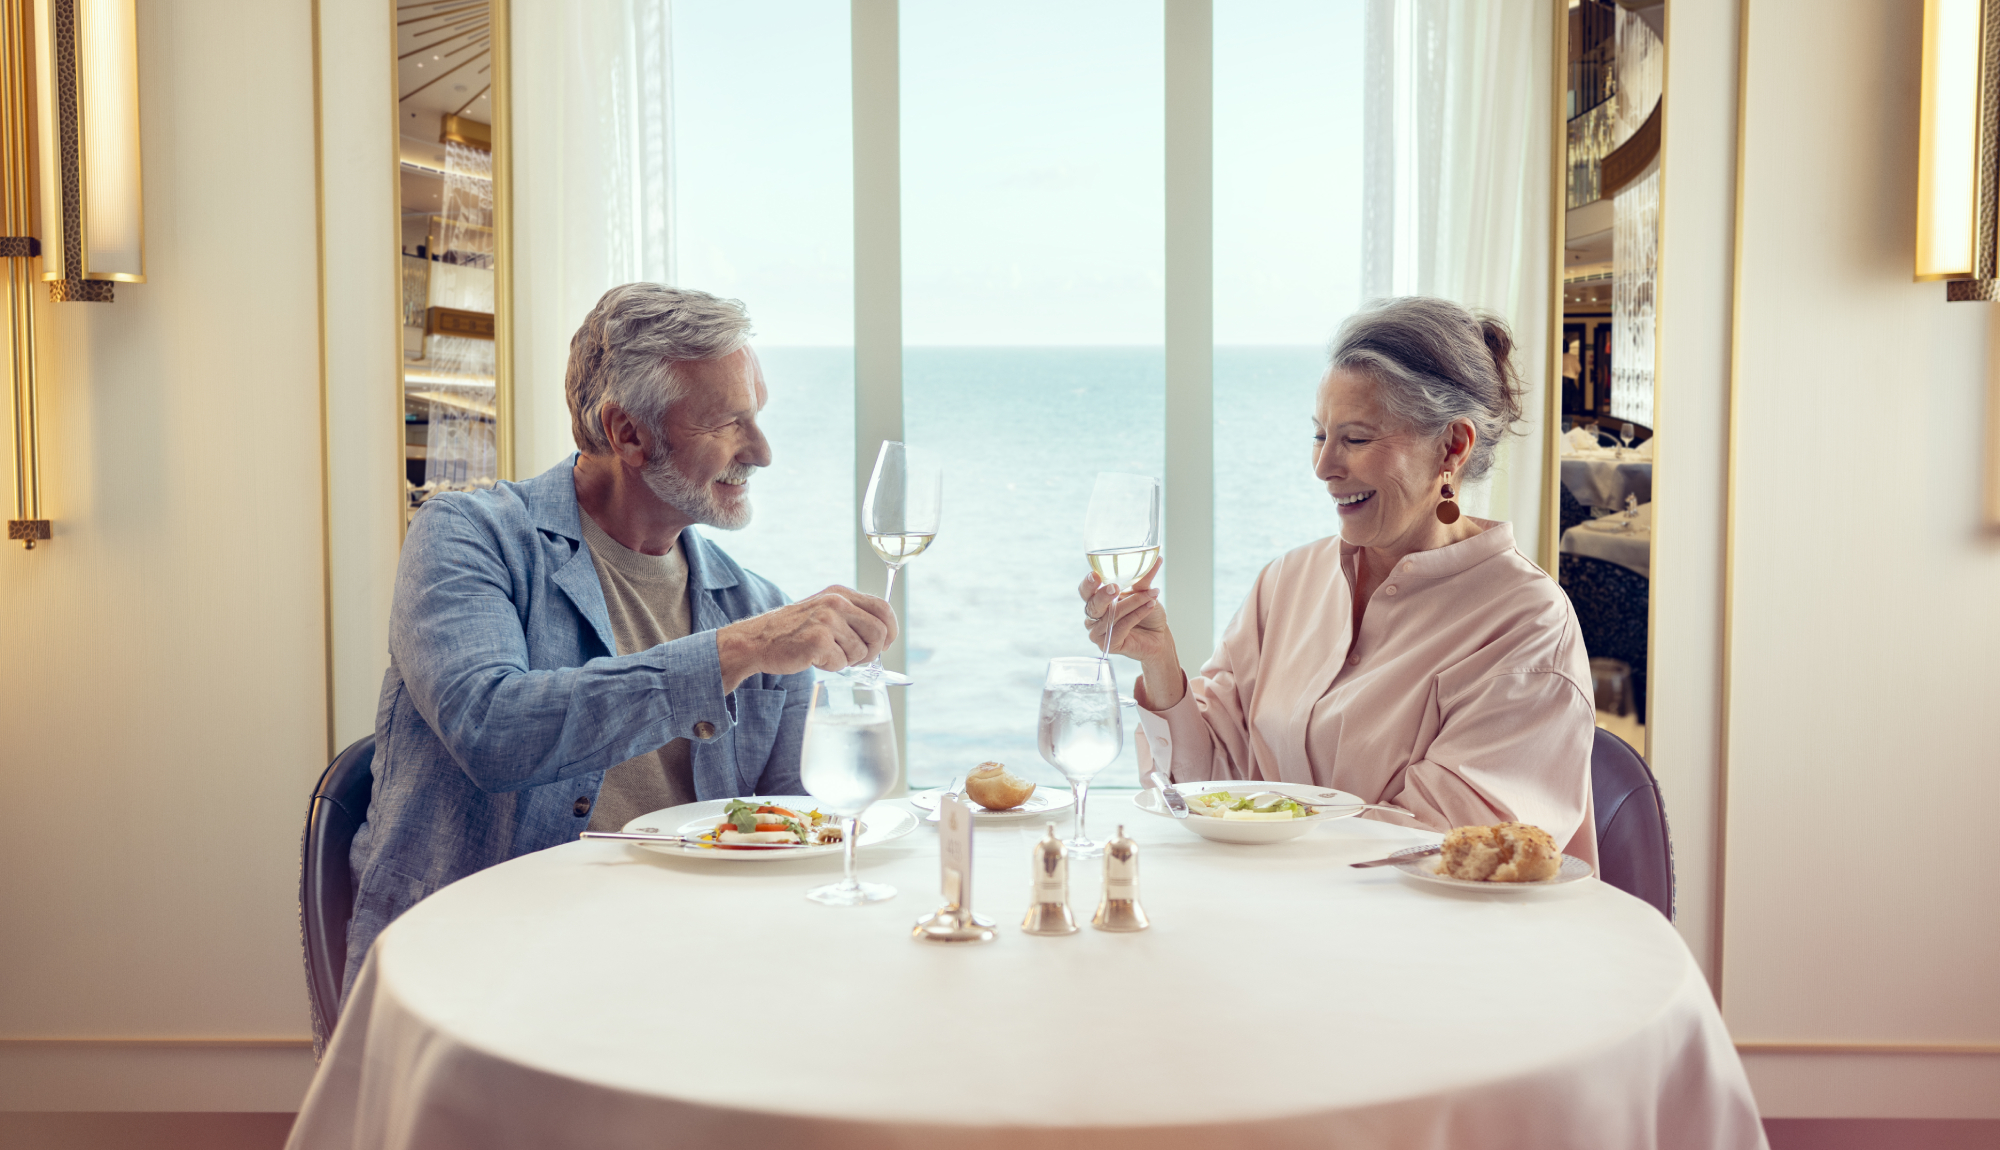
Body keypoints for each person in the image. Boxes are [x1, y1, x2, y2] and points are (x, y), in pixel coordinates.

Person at [344, 284, 896, 997]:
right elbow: (492, 730)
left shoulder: (755, 606)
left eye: (756, 417)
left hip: (686, 965)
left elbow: (796, 827)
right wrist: (734, 653)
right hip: (477, 966)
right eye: (728, 422)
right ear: (628, 433)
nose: (761, 452)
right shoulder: (468, 537)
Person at [1080, 296, 1597, 862]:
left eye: (1355, 439)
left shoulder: (1527, 625)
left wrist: (1269, 830)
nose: (1324, 467)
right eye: (1319, 436)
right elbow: (1207, 785)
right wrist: (1159, 662)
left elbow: (1446, 849)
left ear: (1452, 446)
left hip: (1408, 918)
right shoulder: (1287, 582)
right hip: (1270, 901)